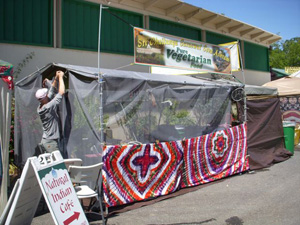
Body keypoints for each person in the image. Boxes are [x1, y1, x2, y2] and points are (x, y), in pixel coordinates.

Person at [35, 70, 65, 153]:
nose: (48, 93)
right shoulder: (48, 106)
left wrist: (56, 77)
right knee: (58, 164)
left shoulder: (41, 106)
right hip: (50, 142)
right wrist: (61, 77)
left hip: (46, 140)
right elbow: (61, 92)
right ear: (44, 98)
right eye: (46, 93)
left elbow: (52, 90)